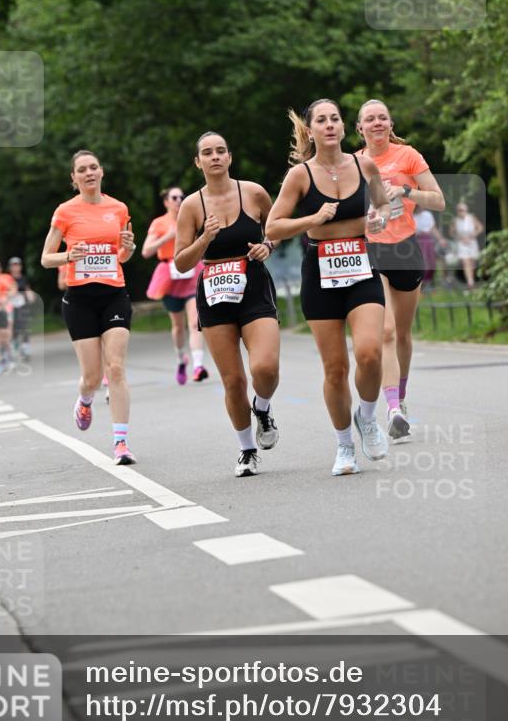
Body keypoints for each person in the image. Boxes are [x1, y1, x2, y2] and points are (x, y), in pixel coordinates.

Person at [266, 99, 390, 477]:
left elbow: (384, 206)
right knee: (335, 369)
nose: (330, 125)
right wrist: (312, 218)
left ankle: (366, 417)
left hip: (360, 263)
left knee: (369, 352)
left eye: (335, 118)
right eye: (322, 120)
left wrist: (380, 218)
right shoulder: (300, 176)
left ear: (342, 126)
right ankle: (344, 446)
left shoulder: (363, 164)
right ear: (312, 130)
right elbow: (272, 228)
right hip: (320, 273)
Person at [174, 133, 280, 477]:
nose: (215, 157)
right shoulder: (191, 206)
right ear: (198, 162)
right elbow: (181, 262)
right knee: (233, 380)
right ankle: (247, 449)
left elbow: (277, 226)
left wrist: (268, 245)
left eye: (221, 151)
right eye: (207, 153)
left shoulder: (252, 192)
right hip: (215, 293)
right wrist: (204, 238)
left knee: (264, 368)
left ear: (230, 157)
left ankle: (262, 408)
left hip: (253, 286)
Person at [40, 149, 137, 465]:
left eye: (94, 167)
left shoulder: (118, 208)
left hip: (114, 294)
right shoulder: (65, 212)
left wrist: (127, 249)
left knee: (117, 366)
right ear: (74, 178)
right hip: (80, 299)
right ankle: (84, 400)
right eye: (82, 169)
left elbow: (122, 255)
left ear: (102, 171)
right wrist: (69, 256)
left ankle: (120, 443)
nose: (89, 172)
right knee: (92, 377)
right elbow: (46, 258)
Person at [356, 98, 445, 438]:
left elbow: (438, 200)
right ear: (360, 128)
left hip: (406, 251)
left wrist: (407, 190)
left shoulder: (408, 156)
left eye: (383, 118)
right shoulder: (354, 163)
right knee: (386, 332)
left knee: (404, 335)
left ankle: (401, 397)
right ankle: (392, 408)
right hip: (370, 251)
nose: (377, 123)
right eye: (370, 119)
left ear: (390, 124)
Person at [142, 187, 208, 384]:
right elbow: (146, 251)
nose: (179, 200)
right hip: (170, 278)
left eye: (182, 197)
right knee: (178, 327)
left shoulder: (192, 217)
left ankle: (198, 366)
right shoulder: (159, 223)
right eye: (174, 197)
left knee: (195, 322)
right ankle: (181, 360)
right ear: (166, 202)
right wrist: (168, 236)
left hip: (191, 274)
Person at [7, 257, 36, 361]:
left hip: (22, 305)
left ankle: (25, 348)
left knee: (24, 326)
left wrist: (30, 295)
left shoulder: (23, 278)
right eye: (13, 265)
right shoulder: (7, 278)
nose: (16, 267)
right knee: (14, 329)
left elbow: (27, 289)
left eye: (17, 265)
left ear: (20, 266)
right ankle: (15, 346)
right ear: (10, 267)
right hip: (10, 306)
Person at [451, 200, 483, 289]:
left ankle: (471, 280)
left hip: (472, 241)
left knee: (472, 262)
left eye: (462, 210)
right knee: (466, 262)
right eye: (459, 210)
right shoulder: (455, 220)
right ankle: (470, 282)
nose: (461, 212)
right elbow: (452, 232)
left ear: (466, 210)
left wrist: (473, 235)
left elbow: (480, 228)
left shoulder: (472, 218)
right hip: (461, 243)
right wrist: (460, 238)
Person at [413, 207, 446, 287]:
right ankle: (421, 283)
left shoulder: (428, 215)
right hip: (417, 241)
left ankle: (429, 281)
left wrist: (441, 239)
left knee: (431, 262)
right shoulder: (412, 216)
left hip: (428, 240)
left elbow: (433, 229)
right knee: (422, 262)